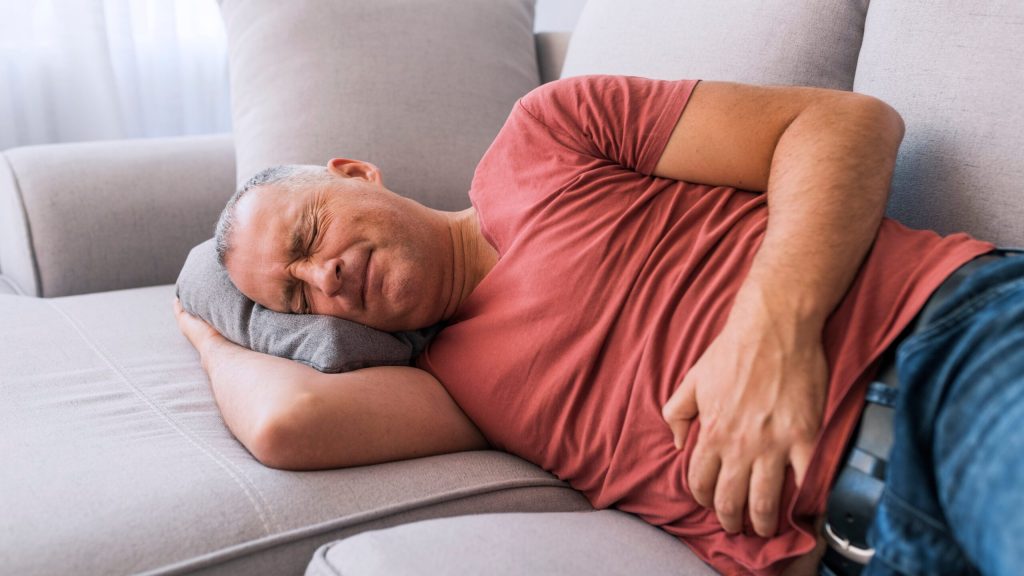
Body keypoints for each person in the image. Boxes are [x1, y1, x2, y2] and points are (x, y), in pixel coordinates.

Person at [173, 75, 1022, 576]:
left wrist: (772, 333)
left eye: (310, 236)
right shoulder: (452, 385)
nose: (326, 280)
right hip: (869, 549)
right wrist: (206, 328)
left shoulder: (546, 134)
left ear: (355, 172)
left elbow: (845, 123)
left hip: (947, 360)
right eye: (296, 299)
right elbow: (287, 424)